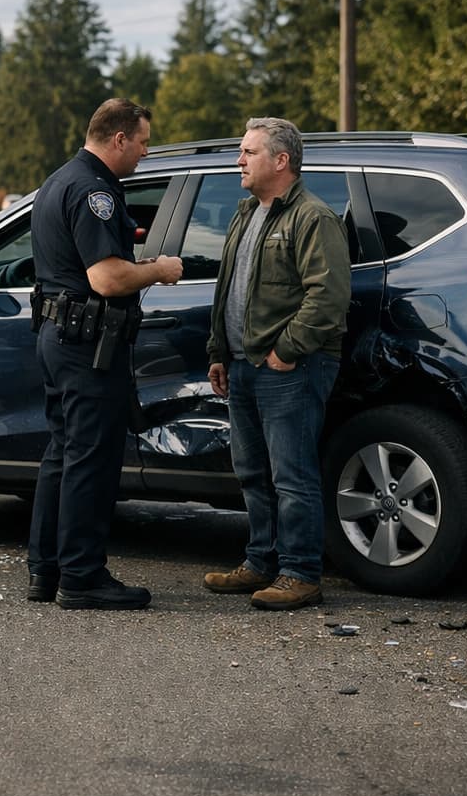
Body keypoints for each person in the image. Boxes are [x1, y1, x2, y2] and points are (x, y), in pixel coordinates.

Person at [27, 98, 184, 610]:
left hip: (59, 336)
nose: (144, 152)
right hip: (88, 344)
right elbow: (107, 277)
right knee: (91, 461)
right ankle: (82, 576)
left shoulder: (58, 180)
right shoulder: (94, 190)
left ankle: (46, 570)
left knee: (63, 455)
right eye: (141, 142)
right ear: (118, 139)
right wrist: (158, 270)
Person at [203, 117, 351, 610]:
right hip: (245, 366)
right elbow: (229, 290)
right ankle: (260, 562)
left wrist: (285, 351)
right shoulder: (246, 213)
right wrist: (219, 352)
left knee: (292, 475)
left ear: (281, 160)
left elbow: (328, 297)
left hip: (290, 366)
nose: (239, 160)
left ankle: (301, 573)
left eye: (249, 152)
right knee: (252, 471)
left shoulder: (312, 217)